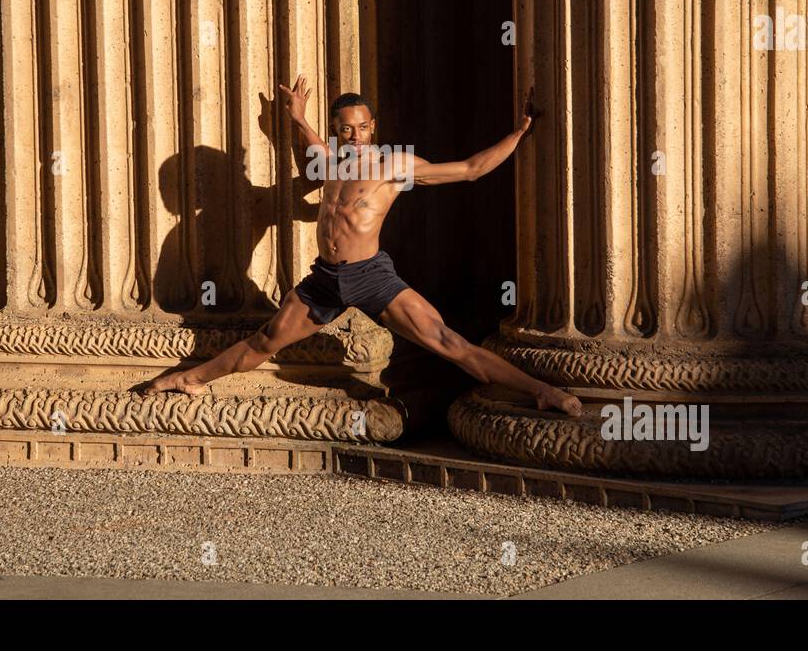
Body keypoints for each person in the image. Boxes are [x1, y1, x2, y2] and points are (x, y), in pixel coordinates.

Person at [143, 76, 583, 416]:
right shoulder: (330, 161)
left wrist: (520, 132)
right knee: (264, 343)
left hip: (371, 277)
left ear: (372, 127)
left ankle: (542, 391)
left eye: (360, 127)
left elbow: (469, 169)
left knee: (446, 340)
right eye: (344, 129)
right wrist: (297, 118)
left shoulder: (394, 165)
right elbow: (313, 147)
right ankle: (191, 379)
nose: (354, 135)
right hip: (325, 281)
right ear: (337, 132)